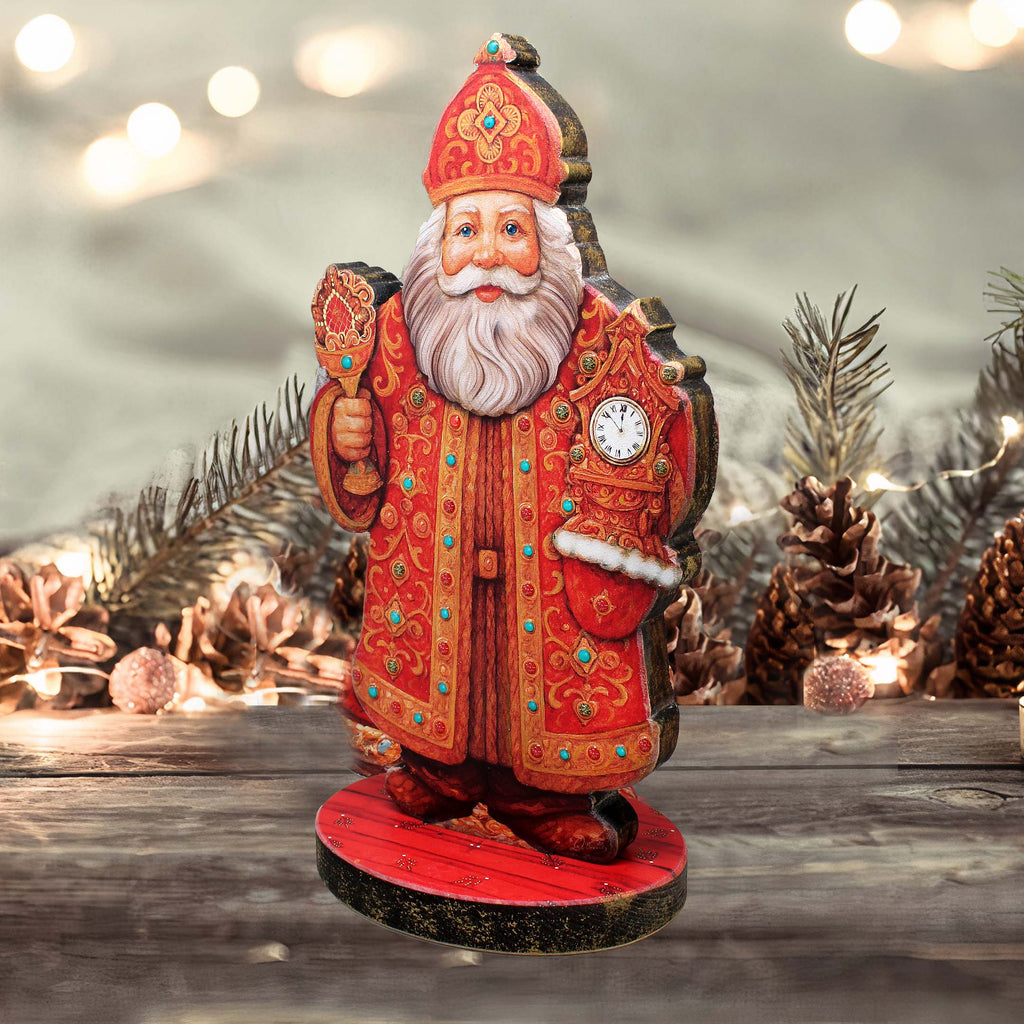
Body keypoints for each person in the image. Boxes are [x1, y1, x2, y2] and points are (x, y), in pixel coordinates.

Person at [309, 33, 716, 862]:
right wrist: (347, 434)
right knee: (444, 684)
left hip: (551, 587)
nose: (485, 255)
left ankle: (542, 799)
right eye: (466, 231)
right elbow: (362, 456)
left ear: (552, 245)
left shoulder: (603, 336)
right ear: (436, 245)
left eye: (509, 229)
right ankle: (443, 772)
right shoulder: (398, 331)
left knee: (546, 684)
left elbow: (662, 431)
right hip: (441, 579)